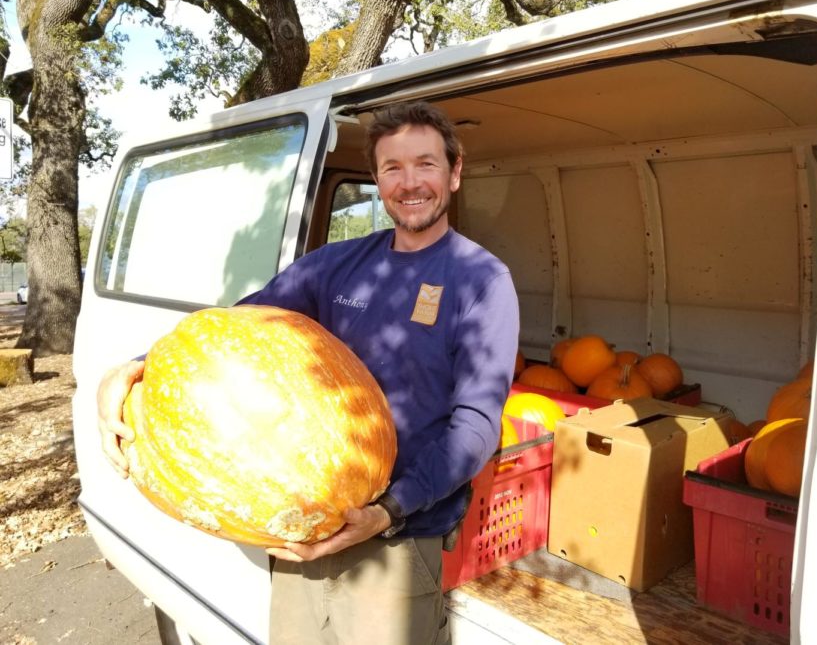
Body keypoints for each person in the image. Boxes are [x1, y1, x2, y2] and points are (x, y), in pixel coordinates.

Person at [97, 101, 520, 644]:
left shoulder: (482, 281)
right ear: (377, 180)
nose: (410, 182)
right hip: (299, 525)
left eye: (426, 164)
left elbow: (476, 425)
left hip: (396, 537)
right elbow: (231, 327)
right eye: (393, 168)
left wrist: (386, 511)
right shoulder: (335, 265)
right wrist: (133, 367)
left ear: (454, 172)